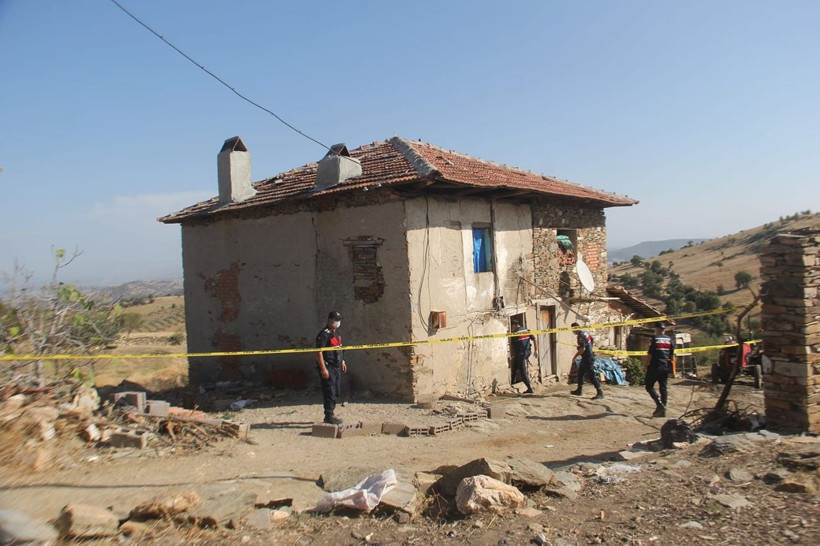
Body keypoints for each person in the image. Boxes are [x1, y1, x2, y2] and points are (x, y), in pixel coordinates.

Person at [315, 311, 347, 424]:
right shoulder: (324, 334)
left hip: (337, 366)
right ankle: (328, 415)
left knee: (336, 391)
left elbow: (339, 348)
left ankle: (331, 413)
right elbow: (318, 352)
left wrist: (342, 361)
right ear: (329, 320)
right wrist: (323, 369)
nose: (337, 322)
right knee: (330, 391)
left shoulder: (336, 333)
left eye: (339, 320)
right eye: (335, 320)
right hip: (329, 367)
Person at [646, 322, 674, 417]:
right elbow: (672, 356)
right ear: (664, 329)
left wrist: (645, 365)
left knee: (649, 386)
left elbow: (650, 354)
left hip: (655, 366)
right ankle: (663, 410)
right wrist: (672, 369)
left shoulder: (655, 339)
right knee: (663, 388)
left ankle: (659, 405)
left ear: (657, 329)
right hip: (665, 366)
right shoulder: (670, 340)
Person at [570, 322, 604, 400]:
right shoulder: (585, 333)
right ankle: (579, 390)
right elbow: (591, 340)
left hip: (588, 358)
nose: (572, 331)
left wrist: (575, 356)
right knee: (581, 373)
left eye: (573, 330)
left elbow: (583, 349)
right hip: (585, 357)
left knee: (591, 375)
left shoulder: (581, 336)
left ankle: (600, 392)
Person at [511, 318, 537, 394]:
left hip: (521, 353)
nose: (512, 328)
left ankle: (529, 388)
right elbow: (534, 339)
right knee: (516, 365)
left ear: (516, 325)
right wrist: (536, 350)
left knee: (523, 371)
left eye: (512, 326)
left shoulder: (516, 332)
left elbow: (513, 343)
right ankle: (513, 381)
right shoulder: (526, 330)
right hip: (528, 352)